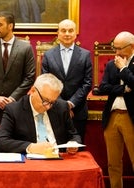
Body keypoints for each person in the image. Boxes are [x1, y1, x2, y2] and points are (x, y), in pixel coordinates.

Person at [0, 11, 36, 150]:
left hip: (17, 107)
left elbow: (29, 77)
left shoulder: (25, 48)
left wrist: (12, 98)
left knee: (17, 147)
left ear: (10, 26)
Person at [0, 73, 82, 155]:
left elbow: (74, 135)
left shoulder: (61, 107)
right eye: (45, 101)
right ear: (33, 91)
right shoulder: (14, 110)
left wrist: (73, 143)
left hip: (58, 160)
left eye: (52, 102)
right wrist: (31, 147)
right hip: (30, 164)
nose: (48, 107)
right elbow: (1, 142)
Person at [42, 19, 92, 143]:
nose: (67, 34)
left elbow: (87, 83)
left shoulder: (85, 55)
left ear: (75, 33)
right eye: (63, 30)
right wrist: (62, 105)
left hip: (78, 110)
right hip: (54, 109)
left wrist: (71, 103)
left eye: (70, 30)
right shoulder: (48, 55)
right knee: (56, 148)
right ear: (58, 33)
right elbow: (46, 82)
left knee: (76, 149)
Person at [98, 31, 134, 188]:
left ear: (132, 46)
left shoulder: (122, 64)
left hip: (131, 117)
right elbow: (103, 87)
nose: (117, 52)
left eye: (120, 48)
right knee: (113, 163)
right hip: (112, 116)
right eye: (115, 48)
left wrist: (124, 69)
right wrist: (123, 89)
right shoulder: (112, 64)